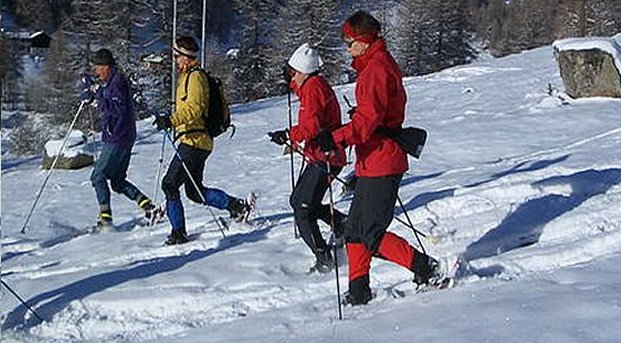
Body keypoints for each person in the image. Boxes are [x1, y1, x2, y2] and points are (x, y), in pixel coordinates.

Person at [315, 11, 447, 305]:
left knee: (371, 234)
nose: (346, 48)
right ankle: (359, 290)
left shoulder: (375, 69)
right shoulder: (375, 65)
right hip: (372, 159)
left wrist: (333, 137)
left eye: (349, 42)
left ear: (362, 41)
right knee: (354, 231)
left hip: (382, 161)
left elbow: (365, 126)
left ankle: (426, 268)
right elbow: (373, 117)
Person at [153, 36, 252, 245]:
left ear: (186, 57)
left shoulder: (195, 77)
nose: (175, 60)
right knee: (195, 192)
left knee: (170, 184)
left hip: (194, 141)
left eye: (177, 56)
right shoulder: (187, 77)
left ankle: (178, 232)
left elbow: (195, 108)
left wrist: (171, 120)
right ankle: (237, 206)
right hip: (195, 141)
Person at [268, 43, 348, 273]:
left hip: (327, 156)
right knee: (300, 202)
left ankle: (324, 257)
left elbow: (311, 126)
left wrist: (288, 134)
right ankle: (341, 224)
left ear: (303, 71)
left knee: (302, 208)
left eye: (293, 72)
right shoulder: (313, 86)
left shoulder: (313, 88)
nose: (291, 77)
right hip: (322, 155)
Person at [83, 48, 156, 230]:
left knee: (97, 176)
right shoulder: (112, 82)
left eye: (98, 68)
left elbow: (117, 109)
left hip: (117, 137)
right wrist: (96, 92)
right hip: (122, 136)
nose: (96, 72)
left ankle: (105, 219)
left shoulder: (117, 82)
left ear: (106, 66)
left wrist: (97, 97)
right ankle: (148, 206)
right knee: (117, 181)